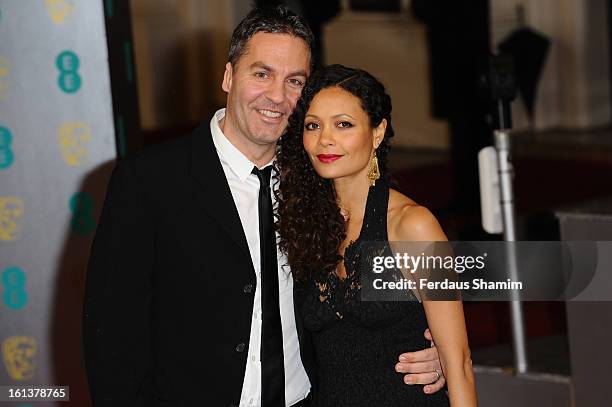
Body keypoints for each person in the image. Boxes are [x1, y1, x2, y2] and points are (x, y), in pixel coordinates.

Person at [82, 6, 446, 407]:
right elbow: (111, 333)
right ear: (228, 76)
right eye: (262, 74)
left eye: (294, 81)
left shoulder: (319, 181)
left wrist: (437, 344)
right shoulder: (150, 181)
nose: (276, 96)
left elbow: (398, 272)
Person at [276, 64, 476, 406]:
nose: (325, 139)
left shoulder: (413, 225)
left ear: (378, 132)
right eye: (313, 125)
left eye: (343, 124)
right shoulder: (304, 222)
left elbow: (458, 363)